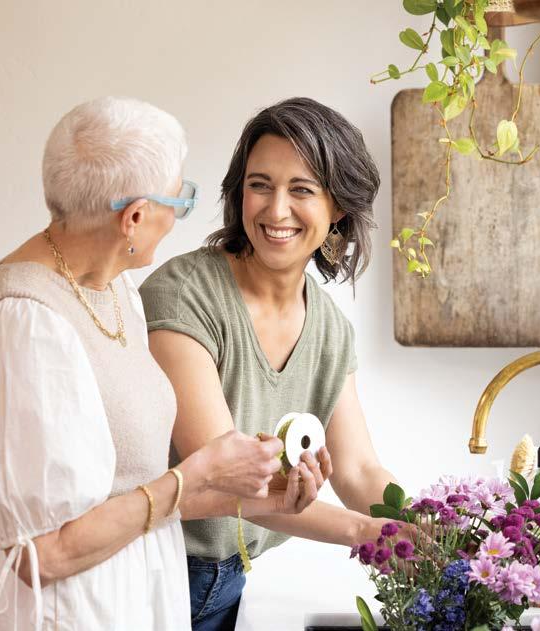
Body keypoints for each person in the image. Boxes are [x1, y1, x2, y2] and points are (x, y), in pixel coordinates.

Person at [0, 97, 326, 631]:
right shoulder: (27, 324)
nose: (178, 217)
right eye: (180, 199)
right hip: (74, 616)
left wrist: (269, 499)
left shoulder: (117, 290)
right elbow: (40, 557)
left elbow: (137, 493)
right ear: (136, 217)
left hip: (137, 603)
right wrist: (198, 473)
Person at [141, 97, 404, 630]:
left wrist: (435, 529)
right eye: (260, 185)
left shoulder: (329, 328)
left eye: (301, 190)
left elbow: (358, 470)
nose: (276, 210)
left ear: (338, 208)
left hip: (230, 580)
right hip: (152, 575)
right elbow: (225, 481)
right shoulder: (184, 296)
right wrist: (364, 532)